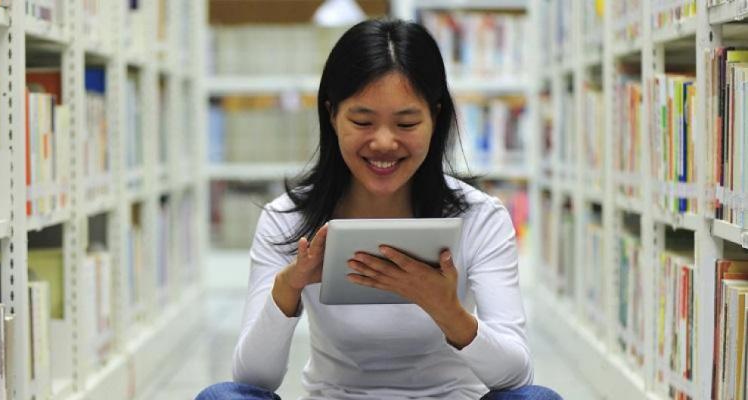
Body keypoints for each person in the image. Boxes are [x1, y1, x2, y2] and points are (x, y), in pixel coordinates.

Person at [197, 18, 562, 400]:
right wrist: (288, 288)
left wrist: (447, 311)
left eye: (406, 122)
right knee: (222, 397)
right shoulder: (288, 218)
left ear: (435, 119)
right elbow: (253, 379)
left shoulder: (480, 217)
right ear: (332, 115)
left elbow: (516, 375)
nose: (384, 142)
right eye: (362, 121)